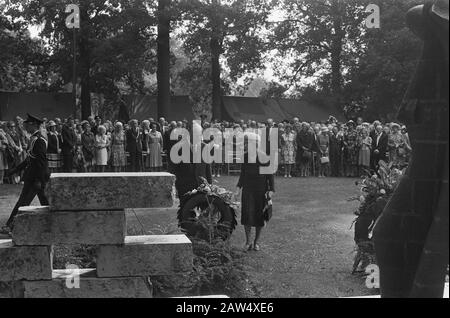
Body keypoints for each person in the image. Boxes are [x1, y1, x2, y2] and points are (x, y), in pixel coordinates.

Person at [1, 114, 50, 234]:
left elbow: (42, 161)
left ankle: (10, 226)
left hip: (35, 178)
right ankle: (53, 225)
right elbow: (29, 160)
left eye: (27, 124)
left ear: (33, 125)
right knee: (45, 204)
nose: (25, 126)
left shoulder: (39, 140)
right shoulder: (34, 138)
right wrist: (13, 171)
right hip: (34, 177)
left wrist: (40, 179)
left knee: (23, 203)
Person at [235, 133, 274, 252]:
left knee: (259, 218)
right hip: (248, 190)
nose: (245, 145)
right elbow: (243, 174)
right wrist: (238, 188)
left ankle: (256, 242)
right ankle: (248, 242)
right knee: (247, 216)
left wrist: (271, 190)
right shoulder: (245, 157)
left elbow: (270, 175)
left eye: (247, 142)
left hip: (260, 190)